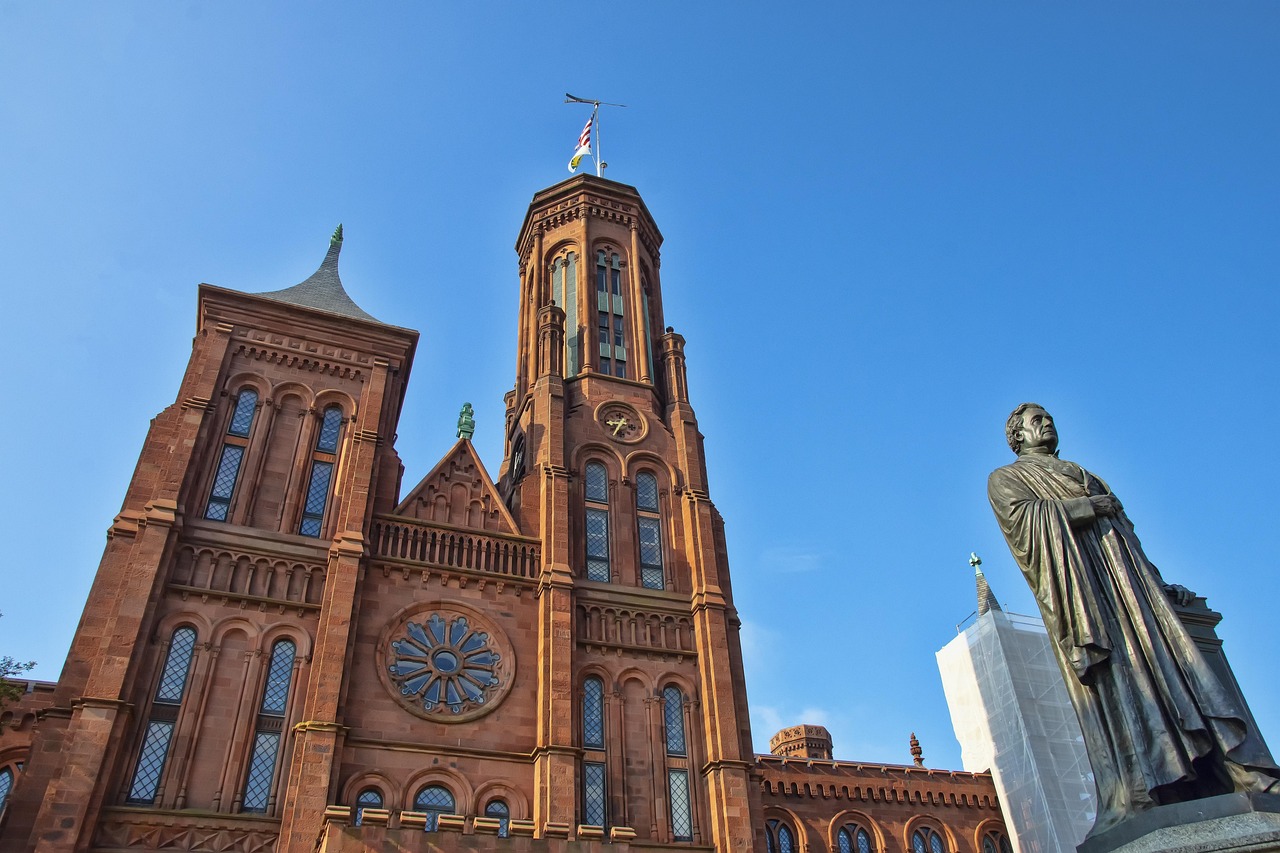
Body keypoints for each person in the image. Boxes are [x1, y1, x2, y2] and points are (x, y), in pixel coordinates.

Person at [988, 403, 1278, 836]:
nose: (1046, 423)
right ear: (1018, 437)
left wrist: (1158, 584)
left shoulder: (1086, 474)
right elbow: (1024, 524)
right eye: (1036, 421)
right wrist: (1087, 508)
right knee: (1127, 685)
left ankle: (1227, 767)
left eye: (1048, 417)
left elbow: (1124, 541)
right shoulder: (1006, 479)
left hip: (1136, 593)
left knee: (1183, 675)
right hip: (1091, 604)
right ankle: (1148, 784)